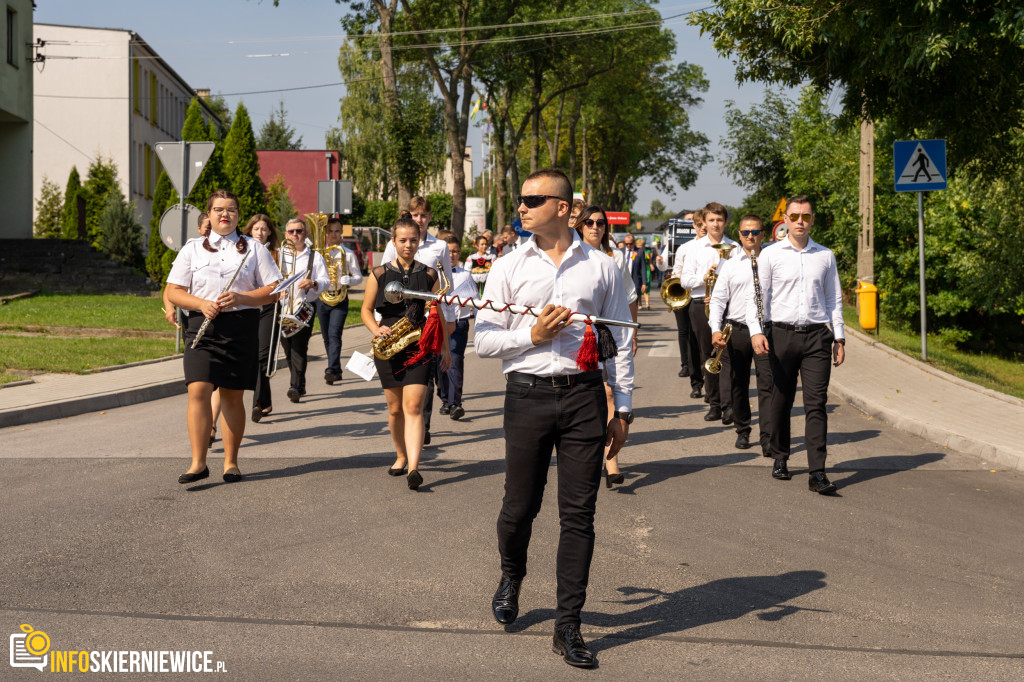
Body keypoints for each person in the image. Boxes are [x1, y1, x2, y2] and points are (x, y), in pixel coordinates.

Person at [476, 168, 634, 669]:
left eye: (532, 199)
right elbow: (484, 339)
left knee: (579, 515)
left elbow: (620, 341)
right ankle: (511, 573)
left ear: (563, 208)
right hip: (526, 395)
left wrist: (623, 407)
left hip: (584, 396)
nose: (520, 207)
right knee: (519, 506)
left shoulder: (604, 268)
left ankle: (568, 624)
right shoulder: (506, 266)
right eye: (520, 200)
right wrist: (533, 337)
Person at [165, 190, 281, 484]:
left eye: (230, 210)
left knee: (231, 395)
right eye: (218, 209)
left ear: (238, 215)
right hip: (201, 326)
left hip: (240, 327)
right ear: (209, 214)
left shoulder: (254, 249)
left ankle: (231, 462)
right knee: (198, 390)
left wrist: (243, 297)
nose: (224, 214)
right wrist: (200, 303)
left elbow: (275, 289)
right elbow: (174, 291)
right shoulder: (192, 249)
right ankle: (197, 463)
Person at [749, 196, 845, 494]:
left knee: (816, 404)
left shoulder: (825, 256)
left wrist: (839, 337)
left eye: (805, 216)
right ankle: (780, 455)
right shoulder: (771, 255)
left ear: (812, 219)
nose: (800, 221)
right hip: (781, 335)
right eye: (794, 216)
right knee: (782, 400)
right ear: (786, 220)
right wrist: (756, 331)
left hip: (817, 337)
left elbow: (834, 299)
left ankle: (817, 472)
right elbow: (759, 297)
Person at [361, 215, 451, 490]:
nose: (408, 245)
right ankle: (400, 456)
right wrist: (375, 329)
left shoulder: (429, 274)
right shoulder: (378, 273)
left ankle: (413, 467)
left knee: (413, 407)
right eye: (403, 240)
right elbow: (366, 310)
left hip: (419, 343)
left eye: (413, 240)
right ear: (393, 241)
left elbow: (439, 313)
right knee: (395, 408)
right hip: (389, 344)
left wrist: (444, 346)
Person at [380, 197, 456, 444]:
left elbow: (446, 287)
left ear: (429, 218)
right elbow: (382, 279)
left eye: (424, 215)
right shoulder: (396, 242)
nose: (419, 219)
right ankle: (410, 427)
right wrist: (378, 323)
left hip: (428, 319)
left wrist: (448, 321)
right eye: (415, 215)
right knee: (399, 383)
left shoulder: (440, 247)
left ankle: (423, 425)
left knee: (427, 377)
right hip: (398, 319)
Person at [573, 204, 638, 489]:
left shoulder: (617, 257)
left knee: (610, 391)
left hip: (609, 333)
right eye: (589, 222)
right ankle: (584, 453)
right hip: (579, 335)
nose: (595, 227)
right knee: (586, 394)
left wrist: (632, 333)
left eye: (600, 222)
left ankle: (611, 461)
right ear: (580, 226)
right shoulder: (570, 256)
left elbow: (630, 296)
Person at [710, 215, 773, 454]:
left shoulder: (771, 262)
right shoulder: (730, 264)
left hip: (766, 330)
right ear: (739, 235)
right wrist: (715, 328)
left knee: (768, 385)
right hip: (736, 330)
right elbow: (717, 300)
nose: (750, 237)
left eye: (755, 232)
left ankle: (767, 437)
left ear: (762, 235)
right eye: (746, 232)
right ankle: (743, 430)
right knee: (738, 383)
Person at [164, 211, 223, 443]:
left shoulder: (230, 250)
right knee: (201, 382)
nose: (210, 231)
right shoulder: (190, 250)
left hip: (224, 321)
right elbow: (171, 288)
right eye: (206, 228)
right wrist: (169, 308)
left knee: (219, 384)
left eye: (213, 227)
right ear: (199, 229)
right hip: (194, 321)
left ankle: (211, 425)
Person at [679, 202, 738, 422]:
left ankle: (728, 404)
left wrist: (723, 293)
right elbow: (684, 280)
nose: (715, 224)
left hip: (728, 307)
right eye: (711, 220)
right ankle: (714, 404)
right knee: (708, 355)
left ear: (725, 222)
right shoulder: (694, 248)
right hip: (700, 305)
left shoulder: (735, 247)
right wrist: (703, 279)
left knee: (728, 355)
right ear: (704, 222)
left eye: (719, 220)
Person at [279, 217, 330, 403]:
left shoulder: (315, 256)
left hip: (305, 307)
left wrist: (313, 283)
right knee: (287, 347)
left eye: (299, 231)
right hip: (283, 306)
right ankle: (299, 382)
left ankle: (295, 386)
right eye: (291, 231)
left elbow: (326, 281)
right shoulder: (279, 255)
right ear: (285, 234)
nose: (295, 235)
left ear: (305, 233)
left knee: (299, 346)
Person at [242, 213, 280, 423]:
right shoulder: (242, 251)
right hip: (247, 307)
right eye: (256, 229)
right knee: (253, 356)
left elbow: (282, 279)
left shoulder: (276, 254)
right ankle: (265, 401)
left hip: (267, 307)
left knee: (263, 356)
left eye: (264, 229)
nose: (260, 233)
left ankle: (258, 403)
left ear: (270, 233)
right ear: (249, 231)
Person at [317, 216, 363, 386]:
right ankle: (336, 370)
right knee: (326, 337)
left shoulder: (348, 254)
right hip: (323, 298)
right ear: (326, 233)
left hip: (340, 298)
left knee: (334, 334)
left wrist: (349, 280)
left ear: (342, 232)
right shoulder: (320, 253)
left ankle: (330, 369)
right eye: (330, 231)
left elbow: (358, 277)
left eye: (337, 231)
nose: (334, 234)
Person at [438, 236, 478, 420]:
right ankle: (445, 398)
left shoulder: (465, 275)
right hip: (437, 324)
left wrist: (480, 322)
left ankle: (456, 403)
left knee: (454, 362)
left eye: (455, 251)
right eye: (448, 251)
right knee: (439, 365)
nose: (451, 255)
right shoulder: (434, 274)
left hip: (459, 324)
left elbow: (476, 301)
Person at [635, 237, 651, 309]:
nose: (640, 247)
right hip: (638, 270)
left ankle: (647, 303)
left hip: (646, 270)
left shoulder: (647, 252)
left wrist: (651, 264)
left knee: (646, 287)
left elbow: (648, 261)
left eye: (641, 245)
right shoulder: (635, 252)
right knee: (639, 288)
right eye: (638, 245)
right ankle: (640, 303)